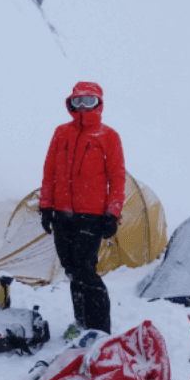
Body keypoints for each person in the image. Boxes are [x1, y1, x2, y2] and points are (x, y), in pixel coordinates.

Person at [39, 82, 125, 338]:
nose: (83, 107)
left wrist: (113, 212)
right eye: (78, 101)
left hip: (92, 216)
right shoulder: (61, 133)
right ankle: (82, 321)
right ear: (71, 102)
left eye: (89, 101)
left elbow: (117, 177)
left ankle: (99, 330)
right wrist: (46, 207)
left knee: (85, 270)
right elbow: (50, 172)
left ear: (99, 103)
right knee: (71, 270)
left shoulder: (108, 136)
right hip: (62, 214)